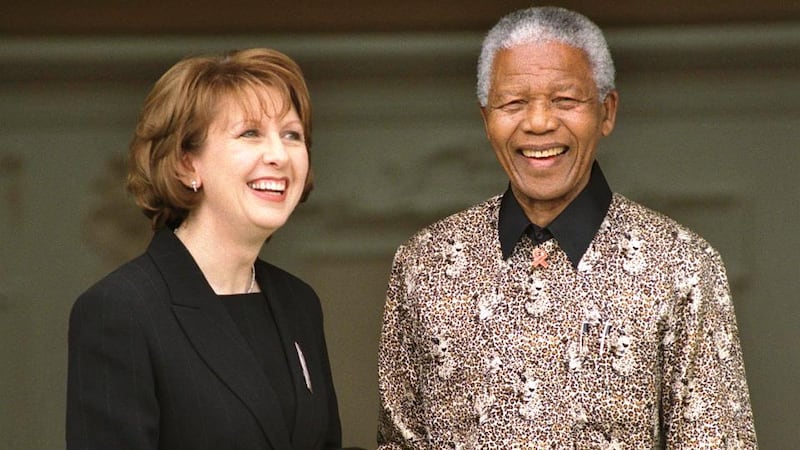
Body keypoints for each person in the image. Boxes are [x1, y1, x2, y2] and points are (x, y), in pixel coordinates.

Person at [377, 6, 757, 449]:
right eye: (514, 102)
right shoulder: (424, 264)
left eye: (565, 100)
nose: (539, 122)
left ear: (607, 111)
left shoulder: (681, 266)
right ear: (486, 119)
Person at [67, 48, 344, 449]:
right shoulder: (121, 310)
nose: (279, 156)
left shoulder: (299, 302)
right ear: (186, 164)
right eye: (250, 133)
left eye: (292, 135)